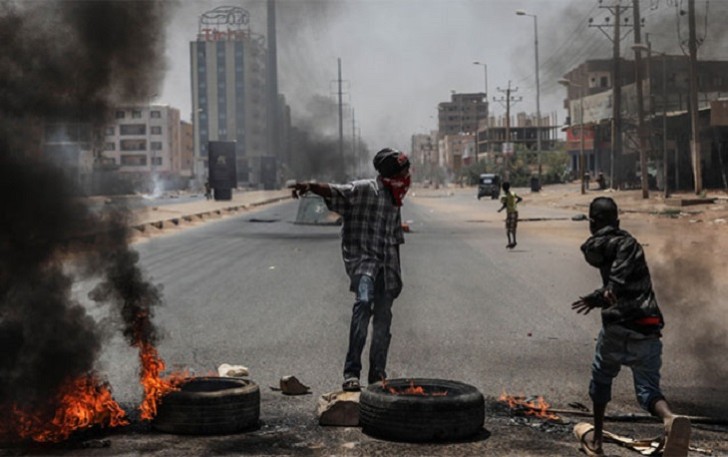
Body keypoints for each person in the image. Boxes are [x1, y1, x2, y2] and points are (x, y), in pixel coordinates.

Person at [571, 197, 690, 456]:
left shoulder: (602, 246)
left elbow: (614, 278)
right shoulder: (627, 244)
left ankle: (598, 442)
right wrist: (603, 293)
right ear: (618, 221)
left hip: (616, 326)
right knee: (648, 389)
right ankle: (670, 420)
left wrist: (600, 295)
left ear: (592, 223)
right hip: (645, 327)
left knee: (601, 378)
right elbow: (616, 271)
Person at [289, 148, 410, 392]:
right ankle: (351, 372)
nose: (408, 175)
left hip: (386, 268)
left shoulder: (395, 198)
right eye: (404, 171)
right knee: (363, 304)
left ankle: (377, 375)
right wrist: (310, 185)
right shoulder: (364, 189)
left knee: (383, 321)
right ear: (392, 172)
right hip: (363, 262)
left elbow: (395, 240)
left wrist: (397, 277)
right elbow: (335, 190)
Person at [497, 181, 522, 249]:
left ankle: (509, 242)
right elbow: (520, 199)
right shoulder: (513, 193)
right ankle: (514, 241)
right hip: (515, 212)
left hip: (509, 213)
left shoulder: (504, 196)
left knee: (508, 228)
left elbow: (504, 205)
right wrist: (515, 204)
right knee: (513, 228)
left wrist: (500, 210)